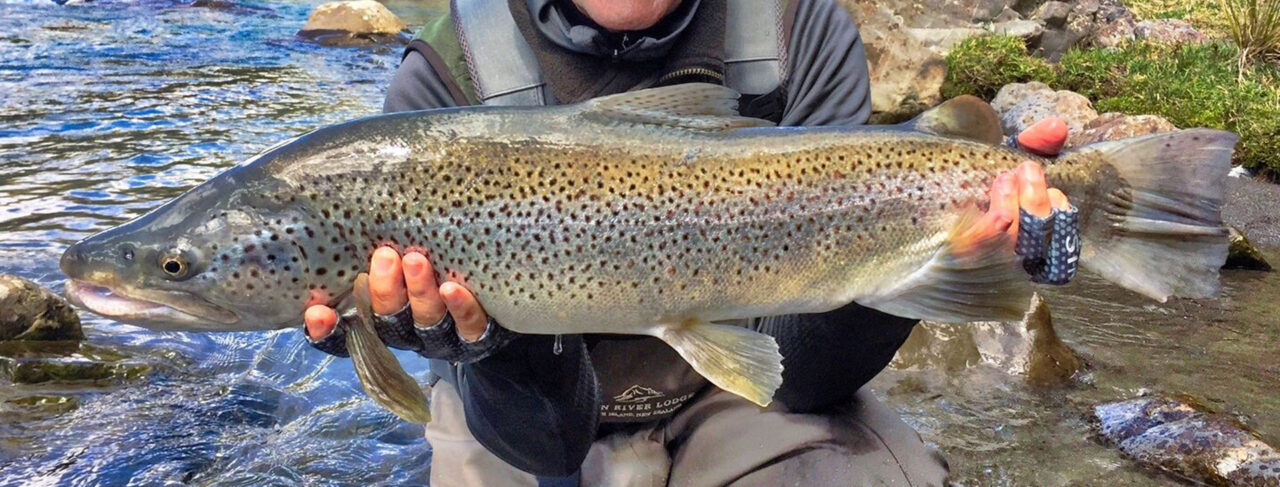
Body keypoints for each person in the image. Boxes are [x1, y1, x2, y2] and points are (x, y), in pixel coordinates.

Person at [304, 0, 1072, 485]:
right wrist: (485, 345)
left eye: (177, 269)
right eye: (176, 270)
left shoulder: (798, 29)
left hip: (739, 385)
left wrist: (953, 248)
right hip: (521, 411)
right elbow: (541, 447)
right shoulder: (444, 76)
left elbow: (800, 376)